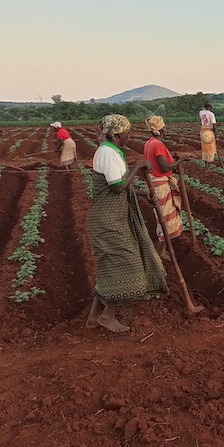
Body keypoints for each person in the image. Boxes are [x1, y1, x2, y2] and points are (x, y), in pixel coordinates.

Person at [86, 114, 169, 333]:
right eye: (126, 133)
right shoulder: (108, 152)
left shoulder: (110, 151)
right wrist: (139, 166)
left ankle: (94, 317)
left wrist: (143, 194)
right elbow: (117, 187)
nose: (128, 137)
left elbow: (123, 185)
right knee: (128, 264)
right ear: (116, 135)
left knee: (109, 267)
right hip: (109, 219)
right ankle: (107, 316)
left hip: (112, 216)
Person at [143, 115, 185, 260]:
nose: (166, 130)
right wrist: (181, 161)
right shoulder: (157, 145)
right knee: (165, 220)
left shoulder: (149, 143)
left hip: (156, 183)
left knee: (163, 218)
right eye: (164, 127)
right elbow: (164, 166)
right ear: (161, 130)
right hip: (160, 185)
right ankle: (159, 252)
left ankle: (161, 250)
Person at [198, 102, 217, 166]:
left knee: (205, 148)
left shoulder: (201, 112)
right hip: (209, 132)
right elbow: (214, 125)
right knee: (210, 148)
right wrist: (214, 133)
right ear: (210, 107)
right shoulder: (211, 114)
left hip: (203, 132)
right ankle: (208, 166)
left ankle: (206, 165)